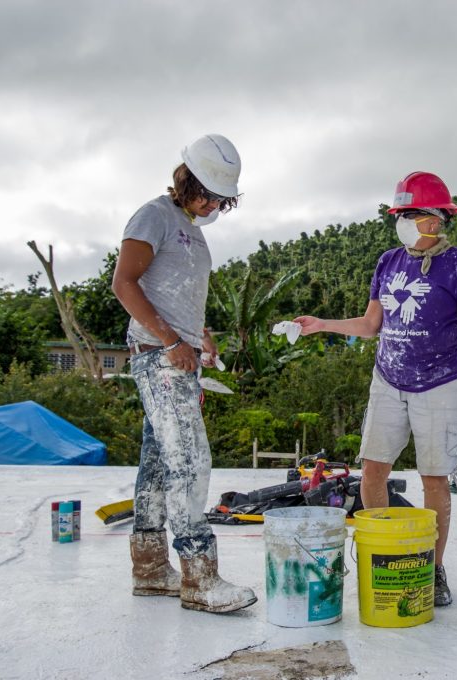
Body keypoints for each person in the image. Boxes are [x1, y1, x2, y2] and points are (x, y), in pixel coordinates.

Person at [294, 171, 457, 606]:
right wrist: (321, 324)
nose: (404, 219)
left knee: (434, 479)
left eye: (412, 212)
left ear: (436, 219)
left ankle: (434, 568)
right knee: (373, 469)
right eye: (400, 213)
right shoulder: (389, 260)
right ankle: (380, 551)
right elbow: (371, 325)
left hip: (441, 384)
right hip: (388, 379)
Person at [112, 134, 257, 613]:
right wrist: (173, 342)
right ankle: (200, 577)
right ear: (187, 180)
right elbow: (124, 283)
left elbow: (176, 293)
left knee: (157, 464)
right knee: (191, 460)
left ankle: (151, 569)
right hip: (158, 356)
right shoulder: (154, 215)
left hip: (178, 351)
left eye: (222, 199)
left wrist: (200, 335)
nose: (215, 205)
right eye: (211, 195)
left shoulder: (191, 228)